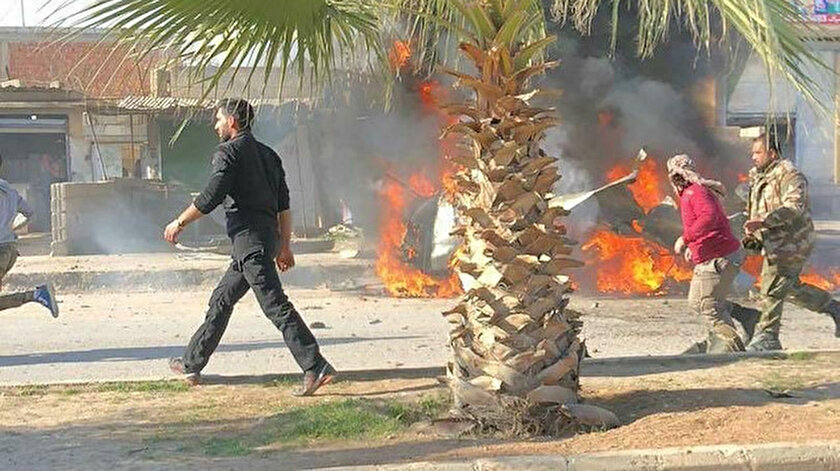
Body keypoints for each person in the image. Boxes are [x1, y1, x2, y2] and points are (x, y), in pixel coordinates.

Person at [163, 99, 335, 393]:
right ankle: (191, 364)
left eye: (218, 119)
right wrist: (284, 246)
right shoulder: (269, 155)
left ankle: (315, 365)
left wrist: (179, 222)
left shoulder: (228, 152)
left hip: (250, 243)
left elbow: (211, 196)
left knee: (276, 306)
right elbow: (284, 206)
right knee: (221, 300)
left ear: (232, 121)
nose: (215, 125)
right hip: (262, 242)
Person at [742, 134, 840, 351]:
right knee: (789, 288)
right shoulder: (759, 176)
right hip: (772, 242)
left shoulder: (790, 176)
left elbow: (794, 208)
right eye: (753, 153)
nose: (753, 157)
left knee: (773, 287)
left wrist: (765, 221)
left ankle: (768, 337)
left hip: (792, 243)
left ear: (772, 153)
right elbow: (756, 208)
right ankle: (833, 308)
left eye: (758, 152)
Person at [668, 154, 761, 353]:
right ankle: (746, 316)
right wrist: (694, 248)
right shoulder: (694, 192)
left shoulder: (695, 192)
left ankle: (732, 350)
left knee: (709, 306)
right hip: (718, 253)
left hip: (719, 257)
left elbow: (708, 218)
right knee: (696, 301)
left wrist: (685, 239)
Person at [0, 154, 59, 317]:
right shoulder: (10, 190)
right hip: (10, 250)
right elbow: (30, 214)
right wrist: (10, 229)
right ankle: (35, 295)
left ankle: (34, 295)